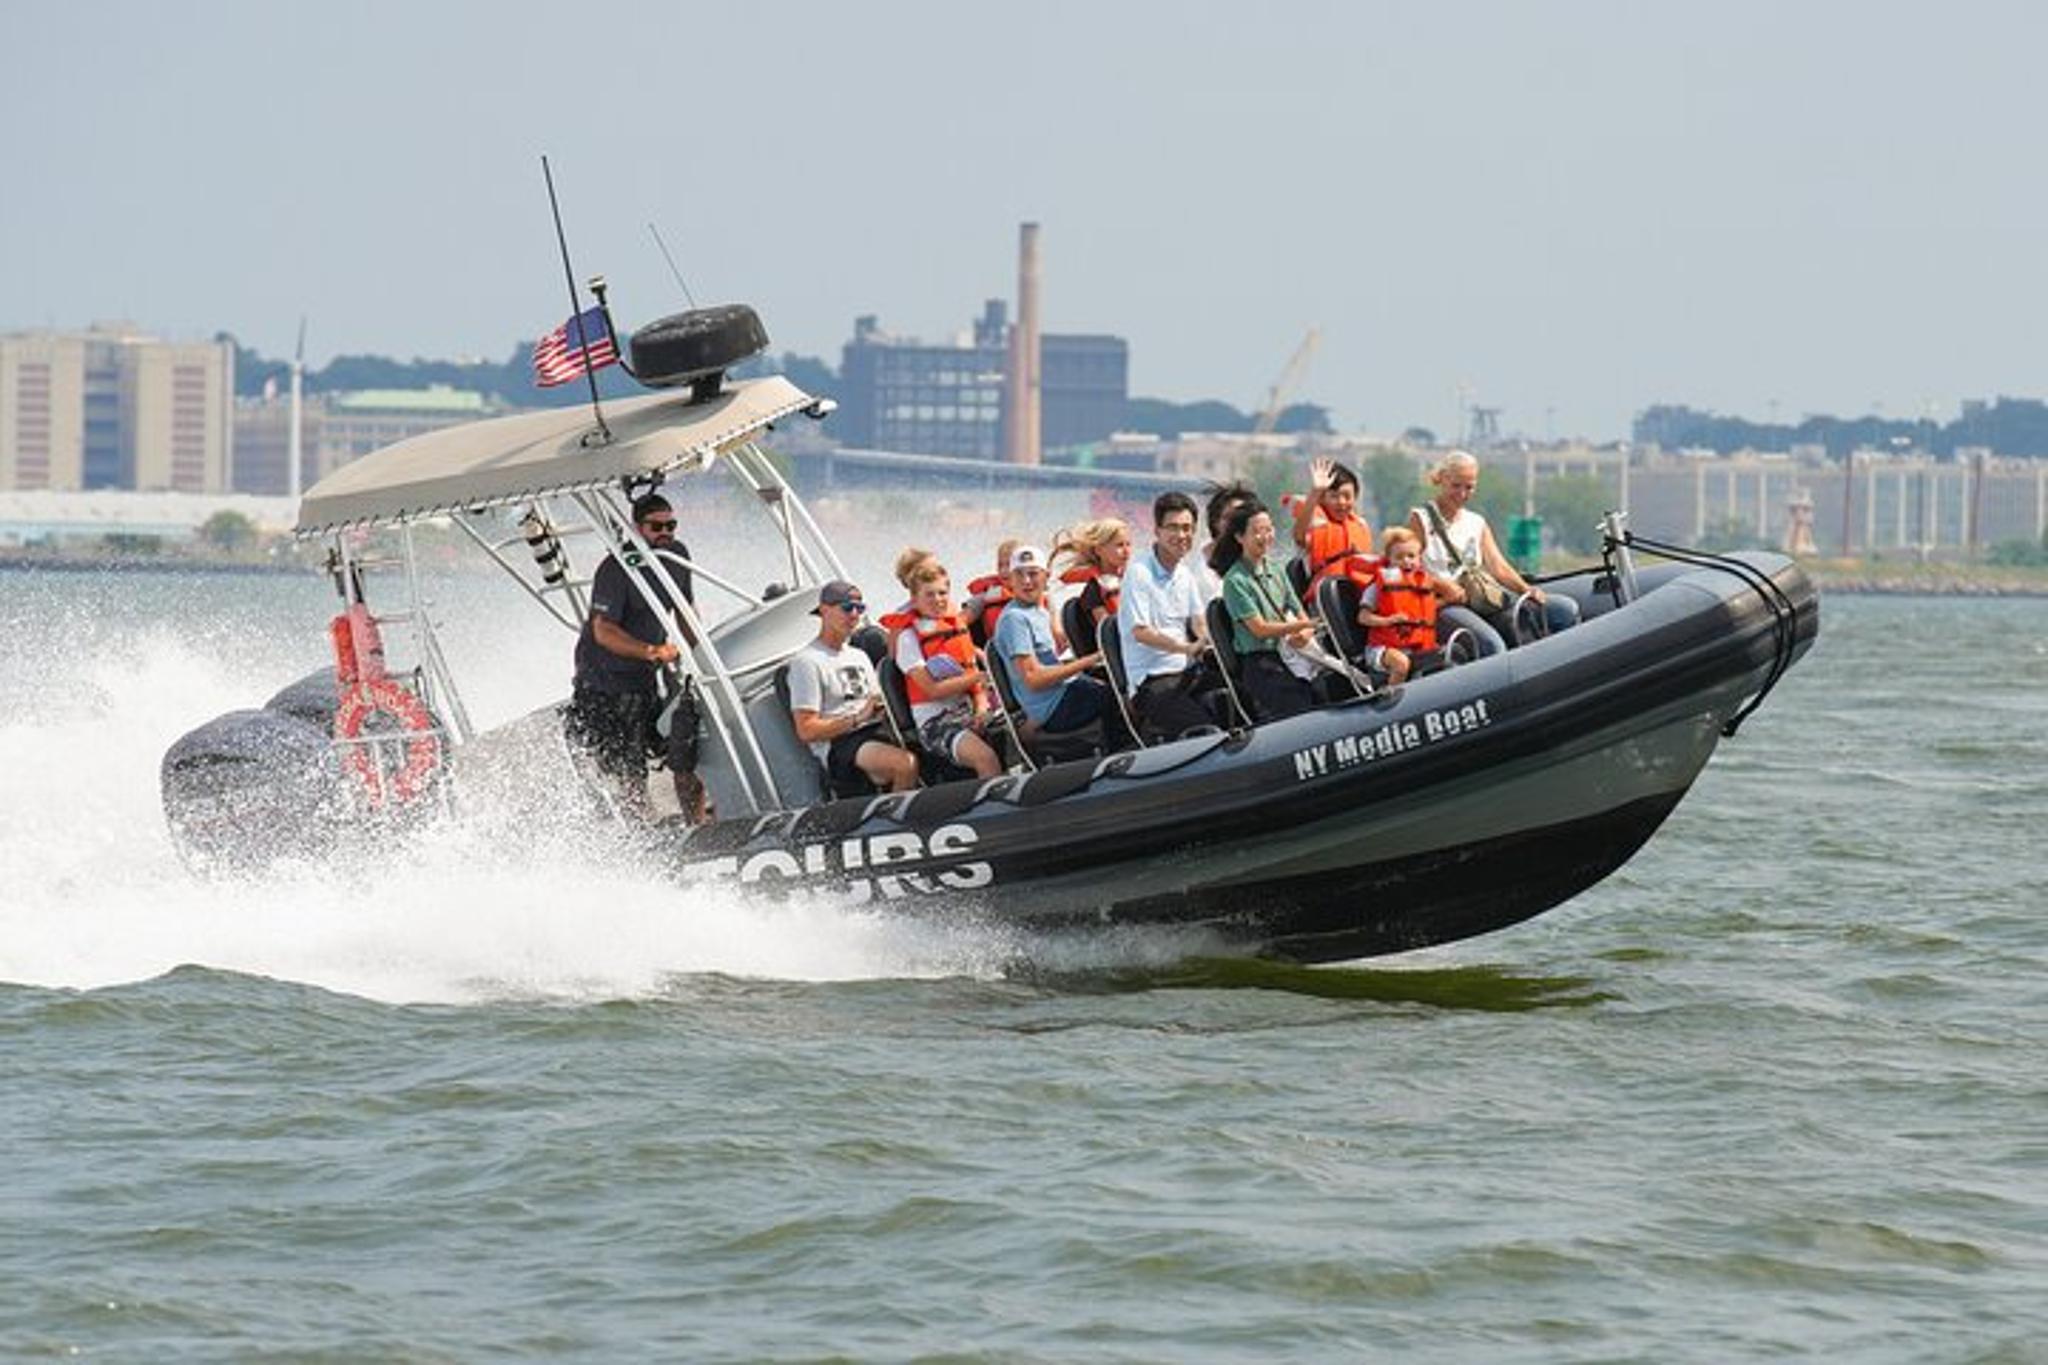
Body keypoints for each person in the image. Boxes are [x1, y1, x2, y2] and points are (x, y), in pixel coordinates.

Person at [565, 492, 709, 823]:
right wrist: (651, 651)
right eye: (656, 526)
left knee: (686, 750)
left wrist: (699, 653)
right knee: (629, 770)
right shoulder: (615, 568)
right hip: (606, 685)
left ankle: (697, 826)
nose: (666, 532)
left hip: (647, 681)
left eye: (671, 525)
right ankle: (640, 832)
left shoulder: (677, 556)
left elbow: (684, 611)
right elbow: (603, 630)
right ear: (637, 528)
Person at [1409, 449, 1579, 655]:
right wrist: (1443, 586)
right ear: (1443, 479)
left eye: (1469, 488)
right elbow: (1409, 568)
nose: (1462, 494)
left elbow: (1498, 567)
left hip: (1480, 596)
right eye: (1456, 486)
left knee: (1563, 609)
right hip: (1446, 603)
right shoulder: (1421, 519)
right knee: (1491, 645)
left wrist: (1526, 589)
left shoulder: (1476, 522)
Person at [786, 579, 919, 795]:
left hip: (875, 729)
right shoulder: (806, 662)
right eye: (847, 608)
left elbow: (874, 697)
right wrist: (857, 718)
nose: (854, 614)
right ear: (824, 611)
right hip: (841, 744)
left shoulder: (859, 655)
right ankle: (897, 823)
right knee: (905, 764)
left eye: (860, 608)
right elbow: (806, 730)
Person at [1115, 490, 1221, 743]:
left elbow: (1197, 620)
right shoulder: (1139, 572)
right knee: (1206, 731)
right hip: (1153, 681)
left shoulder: (1184, 573)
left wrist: (1206, 638)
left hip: (1186, 671)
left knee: (1241, 691)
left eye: (1187, 528)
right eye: (1172, 527)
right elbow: (1140, 632)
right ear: (1157, 531)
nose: (1181, 535)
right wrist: (1185, 647)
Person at [894, 557, 1005, 779]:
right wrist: (978, 677)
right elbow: (932, 690)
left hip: (968, 711)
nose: (938, 600)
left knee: (1018, 731)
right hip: (935, 723)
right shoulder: (907, 639)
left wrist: (982, 707)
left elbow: (976, 685)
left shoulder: (956, 626)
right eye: (929, 594)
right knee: (986, 758)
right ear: (914, 600)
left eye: (942, 593)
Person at [1211, 498, 1320, 722]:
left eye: (1269, 530)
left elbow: (1298, 609)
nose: (1266, 536)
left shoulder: (1276, 569)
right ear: (1240, 537)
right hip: (1260, 664)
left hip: (1289, 654)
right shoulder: (1235, 580)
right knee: (1298, 707)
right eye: (1257, 532)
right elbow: (1259, 629)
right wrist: (1300, 626)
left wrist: (1306, 632)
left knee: (1322, 692)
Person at [991, 543, 1109, 740]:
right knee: (1117, 697)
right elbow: (1034, 679)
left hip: (1063, 692)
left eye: (1033, 573)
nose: (1027, 581)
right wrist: (1089, 660)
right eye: (1019, 574)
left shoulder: (1039, 612)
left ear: (1046, 577)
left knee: (1108, 681)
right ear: (1010, 580)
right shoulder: (1015, 619)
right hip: (1054, 707)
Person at [1358, 525, 1456, 686]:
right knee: (1401, 664)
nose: (1406, 561)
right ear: (1389, 559)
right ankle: (1391, 699)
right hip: (1382, 648)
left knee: (1444, 655)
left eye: (1411, 556)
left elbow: (1431, 605)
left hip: (1416, 646)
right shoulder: (1378, 586)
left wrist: (1440, 603)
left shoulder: (1422, 582)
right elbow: (1363, 617)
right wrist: (1389, 620)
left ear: (1419, 558)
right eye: (1399, 557)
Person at [1290, 457, 1379, 598]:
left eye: (1347, 496)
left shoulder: (1361, 525)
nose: (1341, 502)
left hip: (1358, 596)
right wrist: (1315, 492)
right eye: (1334, 496)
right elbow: (1299, 537)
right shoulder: (1315, 523)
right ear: (1322, 499)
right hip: (1327, 597)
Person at [1048, 518, 1131, 652]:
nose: (1126, 551)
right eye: (1119, 545)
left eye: (1128, 544)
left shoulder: (1132, 582)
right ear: (1099, 550)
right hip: (1111, 662)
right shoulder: (1094, 590)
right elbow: (1110, 633)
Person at [1196, 480, 1257, 601]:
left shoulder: (1256, 562)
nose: (1235, 523)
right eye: (1229, 517)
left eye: (1242, 518)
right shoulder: (1195, 564)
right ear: (1215, 521)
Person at [964, 538, 1021, 648]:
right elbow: (959, 622)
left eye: (1009, 565)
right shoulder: (986, 596)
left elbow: (1056, 630)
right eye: (1000, 565)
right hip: (999, 655)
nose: (1004, 571)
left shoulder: (1040, 596)